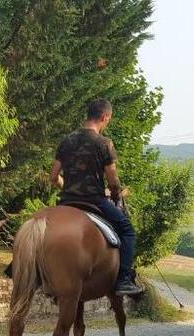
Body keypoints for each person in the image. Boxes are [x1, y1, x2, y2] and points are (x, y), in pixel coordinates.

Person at [50, 98, 144, 296]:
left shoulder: (67, 140)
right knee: (127, 230)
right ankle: (124, 280)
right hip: (94, 201)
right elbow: (112, 179)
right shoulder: (104, 143)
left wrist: (67, 187)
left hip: (66, 201)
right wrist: (117, 193)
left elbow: (53, 177)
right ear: (104, 117)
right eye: (108, 119)